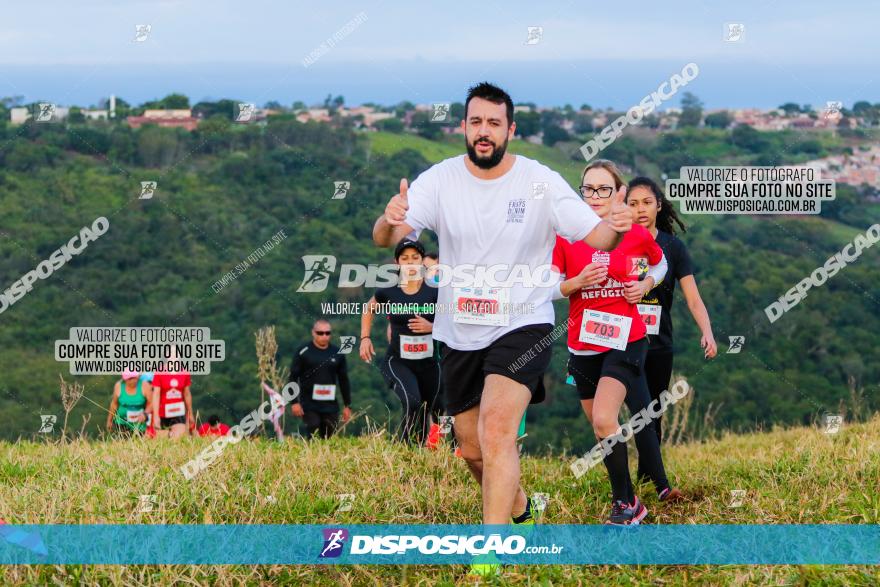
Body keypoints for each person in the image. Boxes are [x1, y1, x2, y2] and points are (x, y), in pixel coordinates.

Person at [372, 82, 630, 573]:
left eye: (494, 123)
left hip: (523, 322)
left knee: (497, 433)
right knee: (471, 450)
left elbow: (595, 234)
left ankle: (490, 549)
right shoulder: (441, 179)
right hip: (459, 328)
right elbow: (388, 236)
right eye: (476, 122)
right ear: (464, 127)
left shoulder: (539, 181)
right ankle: (521, 512)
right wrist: (389, 220)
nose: (484, 132)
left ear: (510, 129)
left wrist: (615, 224)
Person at [553, 160, 681, 526]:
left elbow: (660, 266)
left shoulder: (635, 234)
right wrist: (573, 283)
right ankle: (630, 497)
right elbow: (546, 287)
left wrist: (645, 285)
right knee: (601, 429)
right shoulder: (565, 238)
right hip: (582, 346)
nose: (594, 197)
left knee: (605, 417)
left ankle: (624, 505)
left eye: (603, 189)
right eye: (588, 189)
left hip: (627, 338)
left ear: (617, 193)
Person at [626, 176, 717, 454]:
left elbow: (693, 298)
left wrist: (707, 332)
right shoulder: (615, 242)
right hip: (623, 341)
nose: (640, 209)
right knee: (632, 413)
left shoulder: (673, 248)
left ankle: (650, 477)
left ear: (659, 206)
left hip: (659, 343)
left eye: (647, 203)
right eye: (633, 203)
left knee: (653, 413)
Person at [359, 238, 441, 445]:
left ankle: (417, 451)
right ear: (397, 263)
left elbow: (453, 320)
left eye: (415, 258)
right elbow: (369, 309)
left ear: (422, 261)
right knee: (413, 402)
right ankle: (403, 450)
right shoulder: (389, 291)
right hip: (398, 362)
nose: (410, 263)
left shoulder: (435, 292)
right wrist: (365, 338)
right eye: (405, 259)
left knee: (427, 409)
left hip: (430, 364)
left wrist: (432, 327)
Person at [288, 319, 352, 439]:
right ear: (313, 332)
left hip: (330, 404)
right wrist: (294, 402)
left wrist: (347, 405)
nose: (324, 336)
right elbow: (293, 377)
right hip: (309, 403)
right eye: (320, 333)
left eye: (327, 333)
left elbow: (343, 380)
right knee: (314, 428)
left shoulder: (337, 353)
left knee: (329, 434)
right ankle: (310, 455)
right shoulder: (303, 352)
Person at [151, 369, 193, 439]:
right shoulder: (159, 372)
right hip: (163, 413)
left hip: (179, 412)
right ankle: (170, 435)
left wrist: (190, 414)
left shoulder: (185, 372)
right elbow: (156, 394)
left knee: (179, 437)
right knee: (162, 440)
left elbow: (187, 394)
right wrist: (155, 416)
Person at [106, 370, 151, 435]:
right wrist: (109, 420)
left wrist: (145, 414)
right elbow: (114, 404)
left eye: (135, 377)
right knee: (123, 442)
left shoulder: (145, 385)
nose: (133, 380)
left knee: (138, 443)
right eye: (130, 378)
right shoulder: (119, 386)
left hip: (139, 423)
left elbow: (151, 403)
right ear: (125, 379)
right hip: (122, 422)